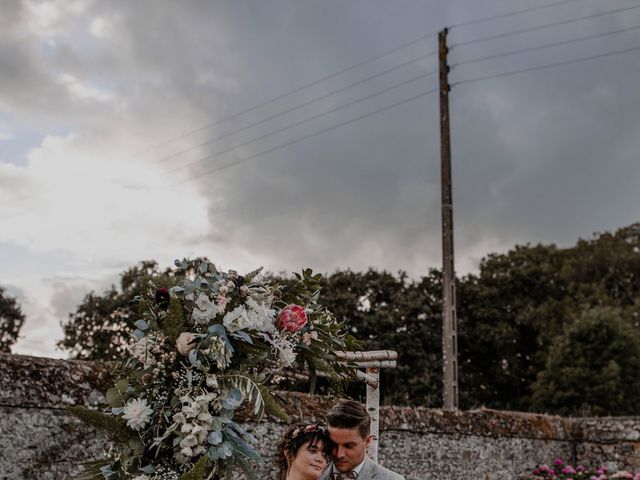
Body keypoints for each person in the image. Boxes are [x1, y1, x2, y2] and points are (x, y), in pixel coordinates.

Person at [320, 400, 405, 480]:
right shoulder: (314, 476)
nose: (339, 454)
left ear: (367, 441)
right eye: (333, 444)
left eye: (348, 446)